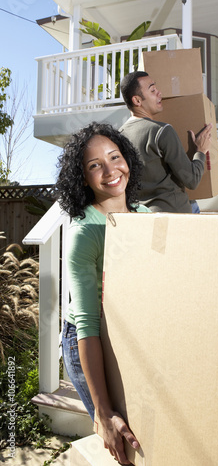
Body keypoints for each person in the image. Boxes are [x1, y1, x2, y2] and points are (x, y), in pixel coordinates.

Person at [55, 122, 150, 464]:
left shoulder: (145, 216)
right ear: (82, 178)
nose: (110, 170)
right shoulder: (85, 233)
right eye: (95, 165)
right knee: (121, 437)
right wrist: (103, 410)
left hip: (125, 333)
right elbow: (87, 323)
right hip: (87, 340)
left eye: (115, 157)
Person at [119, 71, 212, 213]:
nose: (159, 93)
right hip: (175, 215)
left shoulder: (119, 136)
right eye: (152, 90)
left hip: (141, 215)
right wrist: (200, 151)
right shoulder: (161, 131)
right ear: (137, 101)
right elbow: (192, 180)